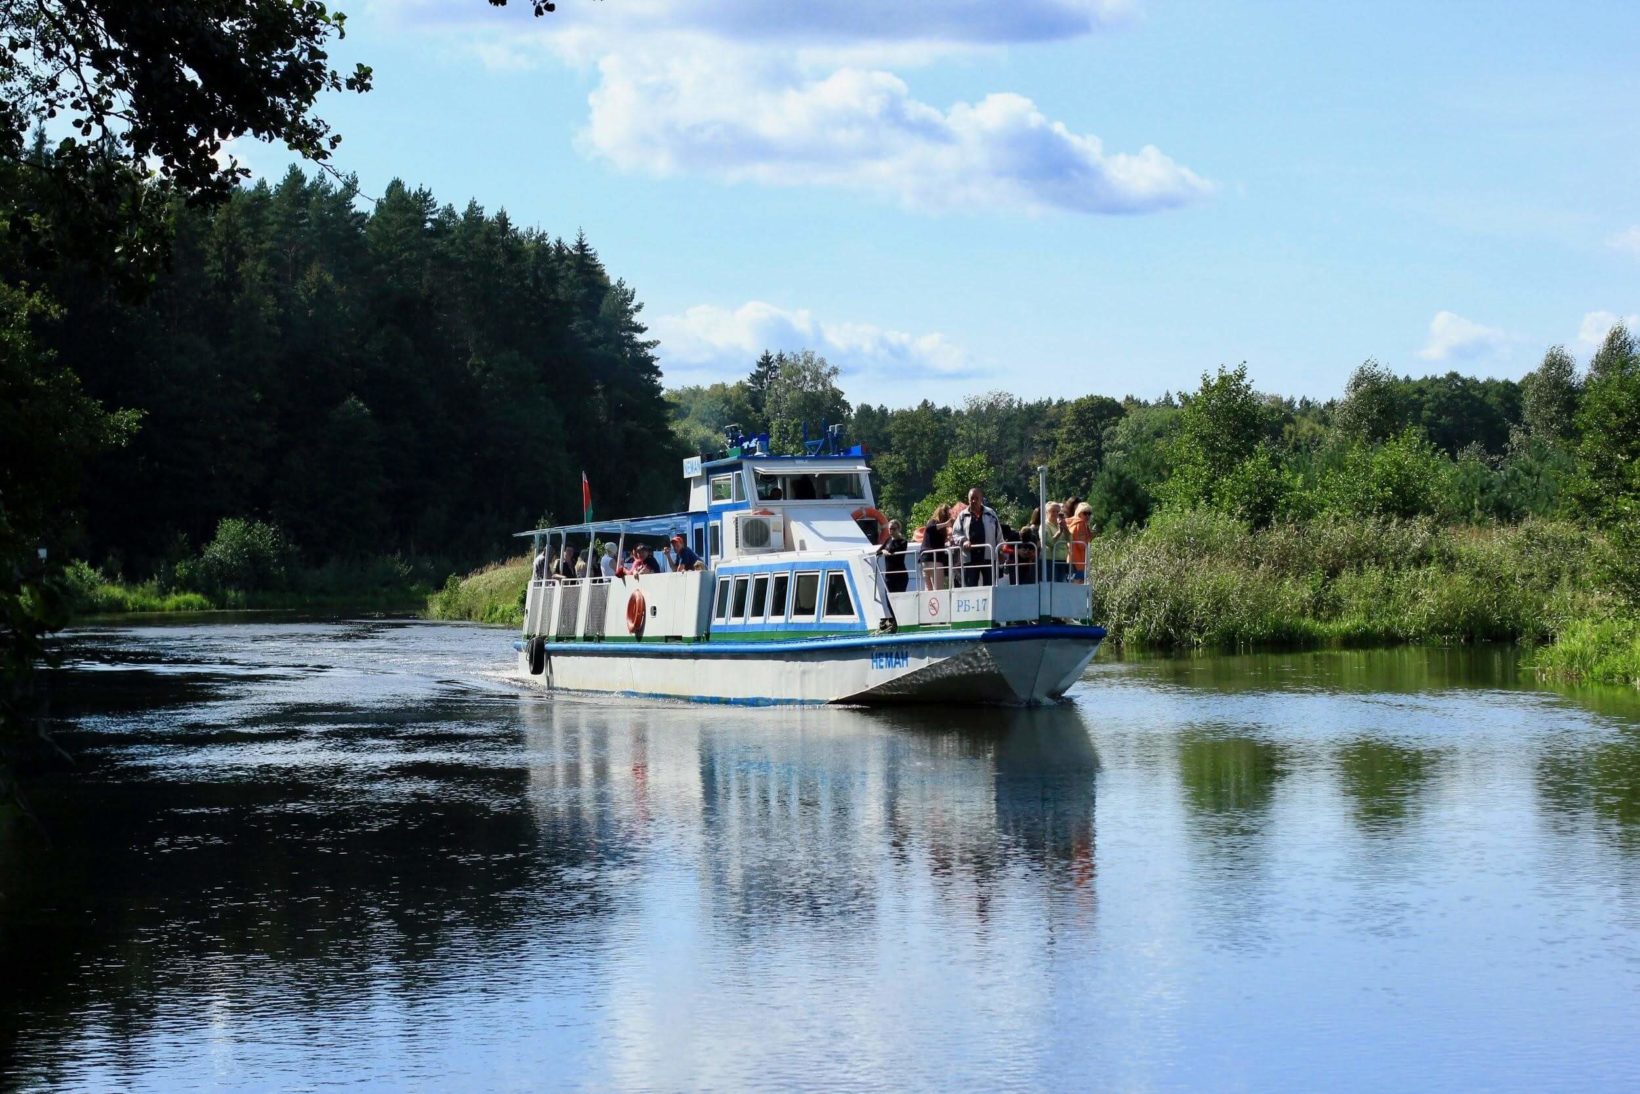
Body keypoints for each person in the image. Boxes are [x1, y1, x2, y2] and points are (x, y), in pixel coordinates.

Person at [950, 487, 1002, 587]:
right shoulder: (962, 516)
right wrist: (964, 541)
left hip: (988, 557)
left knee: (990, 587)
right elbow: (955, 533)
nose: (974, 501)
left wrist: (1000, 551)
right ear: (968, 500)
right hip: (970, 559)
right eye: (971, 498)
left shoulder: (990, 514)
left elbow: (998, 533)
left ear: (981, 499)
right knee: (970, 588)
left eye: (976, 498)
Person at [920, 505, 952, 591]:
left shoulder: (939, 528)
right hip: (934, 559)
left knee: (929, 590)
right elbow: (930, 528)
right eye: (948, 515)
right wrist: (946, 524)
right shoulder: (932, 522)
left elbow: (935, 540)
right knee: (938, 590)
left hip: (925, 560)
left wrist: (948, 539)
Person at [876, 519, 909, 594]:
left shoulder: (903, 541)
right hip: (889, 576)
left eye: (894, 529)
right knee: (888, 599)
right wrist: (883, 551)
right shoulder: (888, 540)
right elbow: (877, 552)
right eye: (890, 528)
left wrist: (886, 550)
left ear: (899, 529)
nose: (891, 531)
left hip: (900, 576)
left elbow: (894, 550)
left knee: (899, 598)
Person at [1066, 502, 1094, 583]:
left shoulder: (1072, 523)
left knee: (1071, 584)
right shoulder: (1080, 524)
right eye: (1085, 513)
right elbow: (1081, 546)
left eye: (1089, 513)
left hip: (1071, 559)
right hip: (1078, 561)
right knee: (1078, 585)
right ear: (1079, 513)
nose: (1087, 516)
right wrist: (1089, 537)